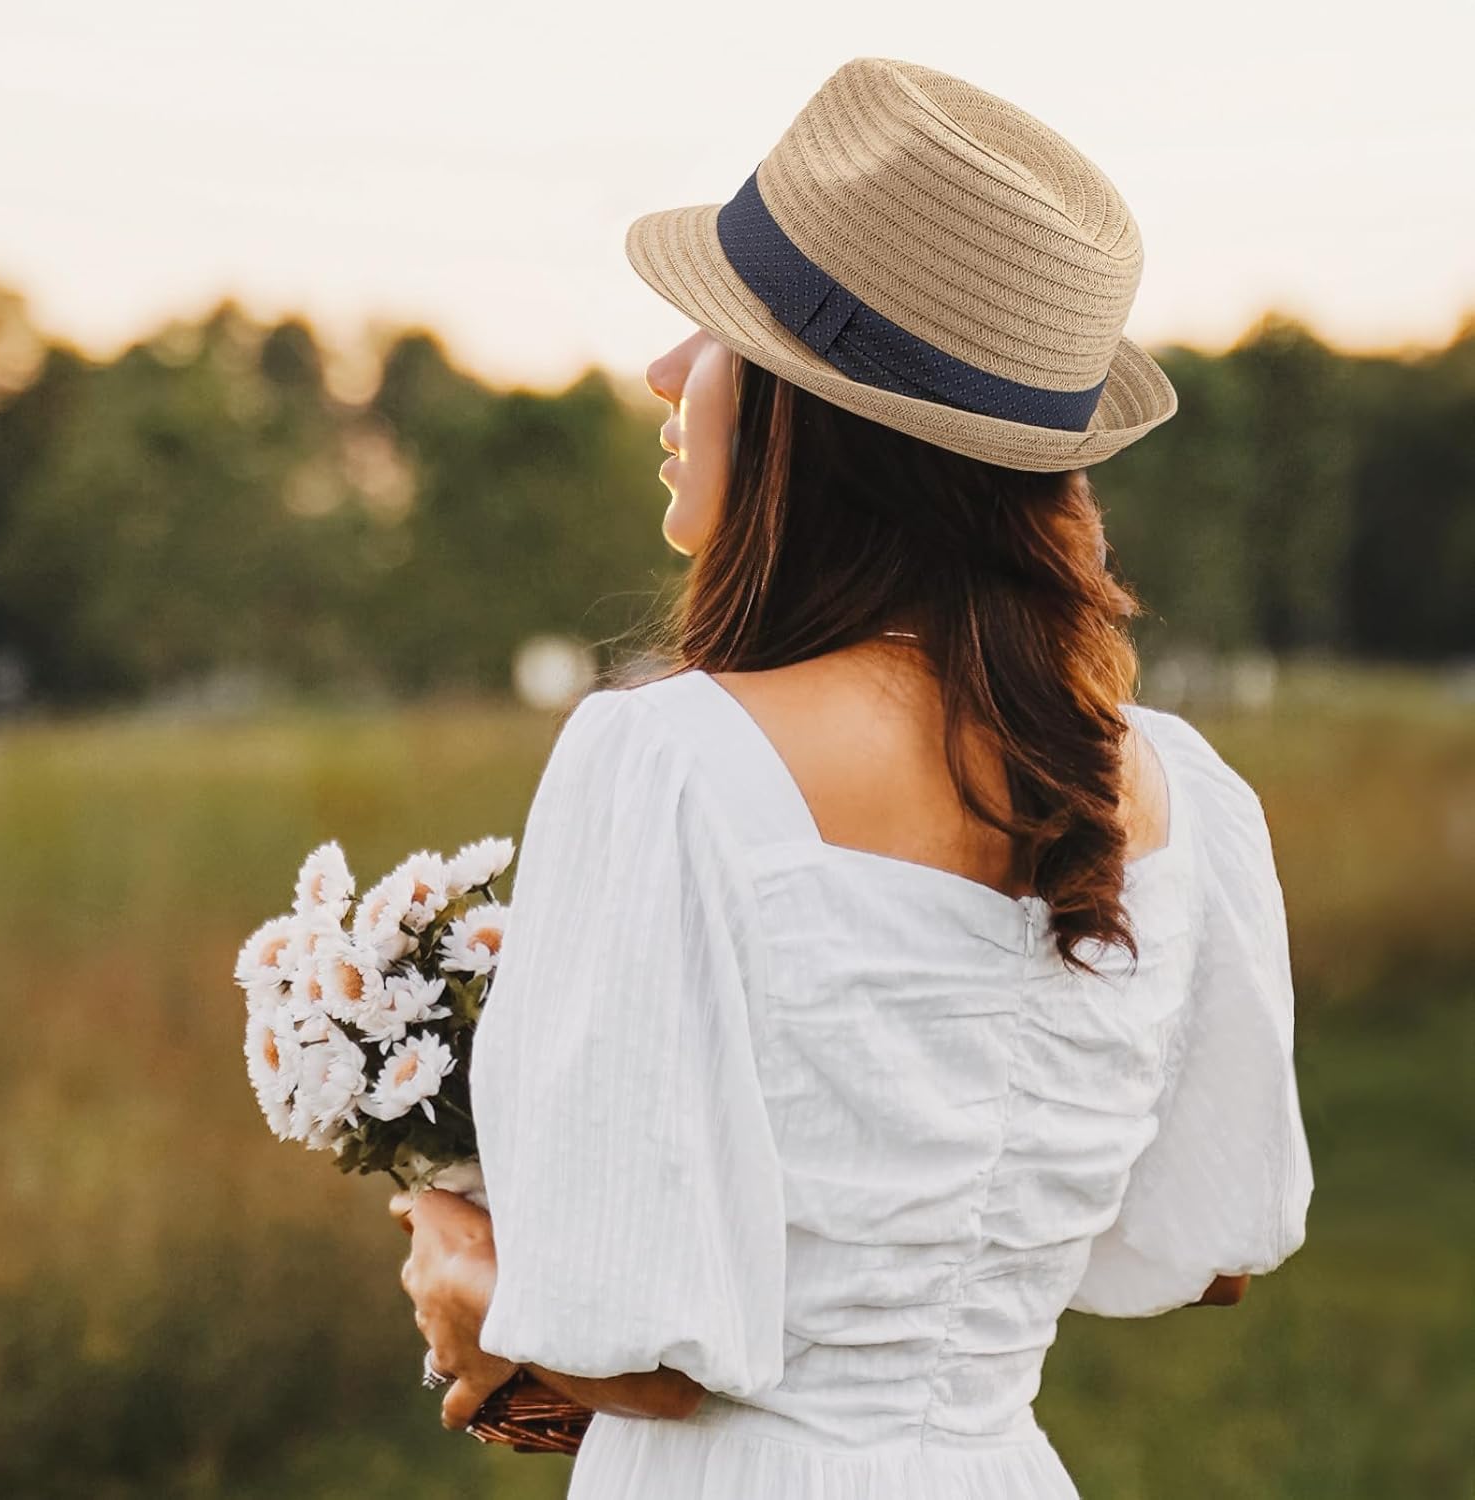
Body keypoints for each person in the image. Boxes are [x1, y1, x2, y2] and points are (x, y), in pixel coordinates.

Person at [393, 57, 1314, 1497]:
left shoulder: (668, 762)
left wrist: (466, 1279)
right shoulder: (1174, 789)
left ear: (805, 412)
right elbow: (1209, 1251)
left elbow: (648, 1362)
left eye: (716, 331)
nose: (664, 371)